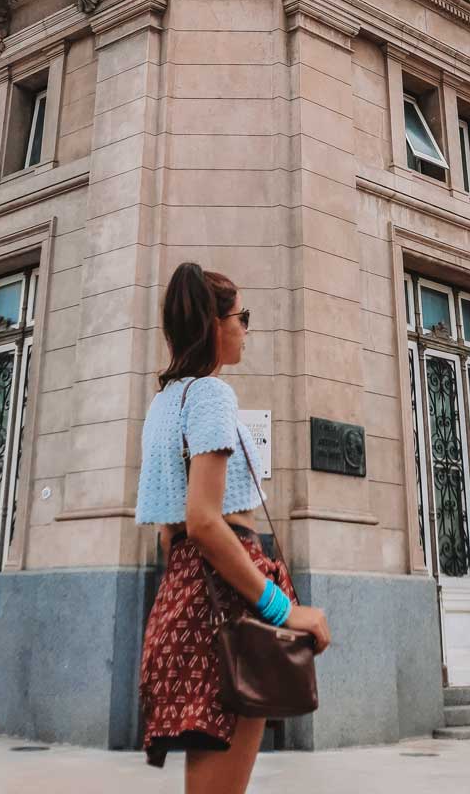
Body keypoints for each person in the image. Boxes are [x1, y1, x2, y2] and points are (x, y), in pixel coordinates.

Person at [136, 262, 331, 789]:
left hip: (185, 594)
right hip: (225, 601)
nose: (246, 326)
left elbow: (169, 532)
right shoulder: (210, 396)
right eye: (240, 316)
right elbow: (203, 521)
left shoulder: (163, 403)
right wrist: (281, 607)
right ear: (213, 324)